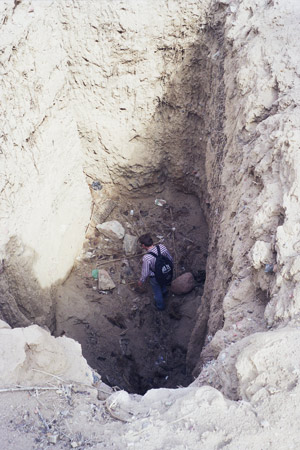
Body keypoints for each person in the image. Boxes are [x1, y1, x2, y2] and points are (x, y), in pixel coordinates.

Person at [138, 233, 173, 311]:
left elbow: (145, 272)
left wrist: (141, 280)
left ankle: (160, 307)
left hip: (155, 277)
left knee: (157, 292)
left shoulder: (146, 258)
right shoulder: (162, 247)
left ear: (143, 245)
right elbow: (170, 259)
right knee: (163, 282)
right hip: (165, 271)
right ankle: (165, 292)